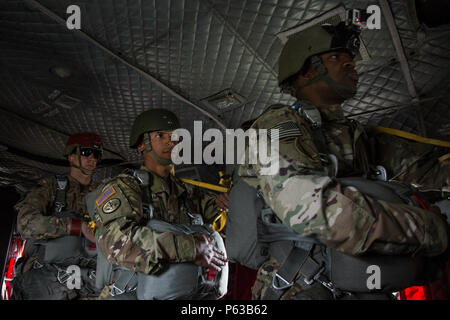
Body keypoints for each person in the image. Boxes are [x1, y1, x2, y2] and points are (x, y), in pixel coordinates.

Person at [235, 22, 449, 300]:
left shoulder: (355, 135)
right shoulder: (277, 127)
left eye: (350, 57)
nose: (351, 63)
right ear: (308, 70)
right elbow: (312, 209)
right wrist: (428, 231)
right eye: (336, 57)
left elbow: (427, 169)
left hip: (357, 282)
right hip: (299, 284)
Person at [91, 108, 228, 299]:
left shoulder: (187, 193)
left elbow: (221, 220)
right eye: (160, 135)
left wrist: (228, 203)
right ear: (141, 144)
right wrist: (191, 248)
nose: (171, 141)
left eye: (175, 136)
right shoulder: (126, 187)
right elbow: (114, 242)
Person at [12, 133, 104, 300]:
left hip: (87, 281)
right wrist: (75, 226)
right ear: (71, 156)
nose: (92, 158)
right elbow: (26, 224)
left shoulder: (103, 194)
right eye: (86, 152)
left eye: (96, 154)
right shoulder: (52, 187)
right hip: (48, 281)